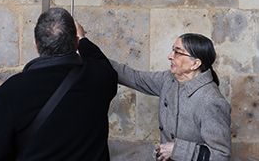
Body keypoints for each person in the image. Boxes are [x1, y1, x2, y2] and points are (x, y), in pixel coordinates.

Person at [0, 7, 118, 161]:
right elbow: (102, 63)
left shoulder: (12, 90)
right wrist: (83, 39)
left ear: (36, 45)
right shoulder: (99, 78)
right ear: (75, 42)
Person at [92, 31, 231, 161]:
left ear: (195, 64)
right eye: (173, 50)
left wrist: (177, 149)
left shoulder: (211, 101)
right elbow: (134, 77)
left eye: (178, 52)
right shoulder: (169, 79)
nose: (170, 56)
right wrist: (89, 53)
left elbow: (220, 155)